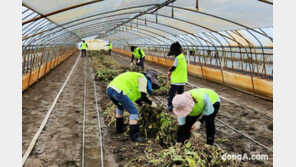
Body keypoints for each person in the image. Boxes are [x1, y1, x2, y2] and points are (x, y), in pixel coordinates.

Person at [106, 70, 159, 142]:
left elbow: (137, 98)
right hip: (119, 91)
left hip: (110, 89)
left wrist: (141, 104)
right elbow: (143, 97)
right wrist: (151, 103)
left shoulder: (137, 76)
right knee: (134, 112)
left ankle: (119, 129)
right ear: (150, 79)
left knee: (120, 107)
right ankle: (135, 137)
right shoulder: (143, 79)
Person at [167, 42, 188, 111]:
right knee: (180, 94)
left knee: (171, 93)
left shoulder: (177, 58)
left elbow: (174, 67)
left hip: (176, 80)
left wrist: (170, 71)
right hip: (182, 80)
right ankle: (181, 105)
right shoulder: (182, 57)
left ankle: (170, 106)